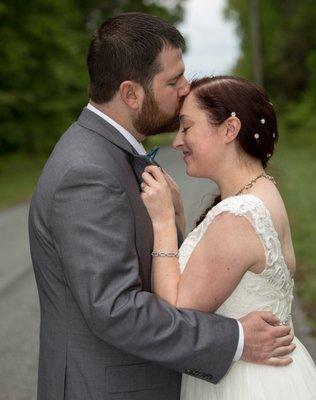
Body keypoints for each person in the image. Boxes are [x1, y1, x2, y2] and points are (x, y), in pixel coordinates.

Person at [29, 13, 294, 400]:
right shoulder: (86, 172)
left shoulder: (110, 154)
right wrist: (235, 338)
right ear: (131, 94)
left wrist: (176, 225)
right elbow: (115, 309)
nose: (186, 89)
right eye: (173, 81)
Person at [140, 75, 316, 399]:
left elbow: (177, 309)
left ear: (230, 129)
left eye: (187, 127)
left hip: (245, 384)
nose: (176, 142)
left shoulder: (239, 216)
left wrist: (161, 224)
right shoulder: (256, 193)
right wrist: (180, 220)